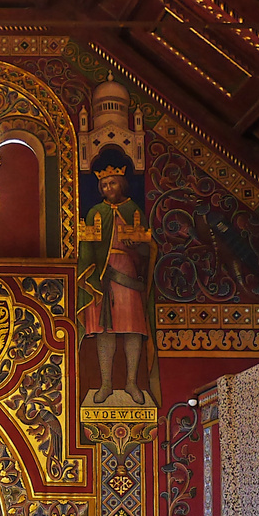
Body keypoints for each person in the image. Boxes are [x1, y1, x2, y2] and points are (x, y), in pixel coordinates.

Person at [77, 163, 159, 405]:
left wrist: (139, 247)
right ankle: (106, 384)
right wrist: (90, 275)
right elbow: (87, 248)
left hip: (128, 275)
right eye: (104, 185)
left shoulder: (133, 209)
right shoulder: (95, 212)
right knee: (105, 331)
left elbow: (147, 249)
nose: (108, 187)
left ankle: (132, 382)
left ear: (121, 184)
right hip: (101, 277)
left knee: (133, 329)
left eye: (112, 183)